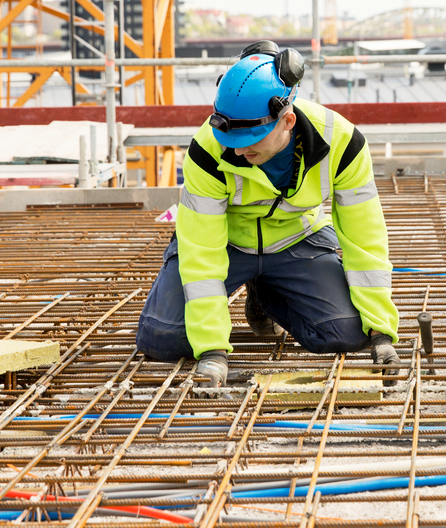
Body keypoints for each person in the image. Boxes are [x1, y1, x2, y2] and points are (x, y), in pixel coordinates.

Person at [135, 40, 400, 386]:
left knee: (348, 332)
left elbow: (364, 238)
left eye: (252, 139)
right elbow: (202, 253)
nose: (239, 149)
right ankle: (248, 284)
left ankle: (265, 294)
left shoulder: (342, 143)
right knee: (163, 338)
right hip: (226, 245)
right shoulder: (208, 149)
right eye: (232, 138)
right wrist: (213, 352)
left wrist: (380, 332)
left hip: (296, 240)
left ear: (287, 120)